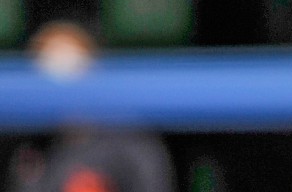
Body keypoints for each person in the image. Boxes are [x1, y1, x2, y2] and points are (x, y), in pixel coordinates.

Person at [5, 21, 176, 192]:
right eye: (48, 75)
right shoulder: (28, 147)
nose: (61, 86)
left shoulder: (132, 140)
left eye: (70, 69)